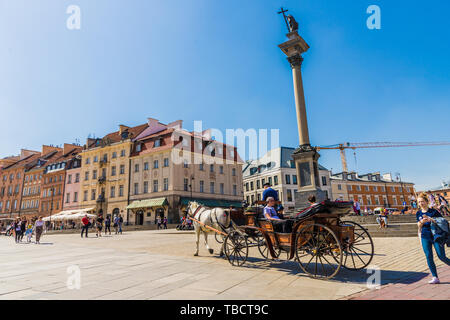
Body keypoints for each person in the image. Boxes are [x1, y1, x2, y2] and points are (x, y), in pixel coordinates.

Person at [416, 192, 450, 284]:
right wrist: (421, 222)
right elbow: (418, 226)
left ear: (427, 202)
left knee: (441, 256)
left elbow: (443, 222)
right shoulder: (418, 213)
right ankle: (435, 277)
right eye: (419, 202)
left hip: (436, 236)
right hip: (425, 236)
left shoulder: (433, 211)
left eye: (422, 201)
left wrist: (431, 219)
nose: (421, 204)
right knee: (428, 256)